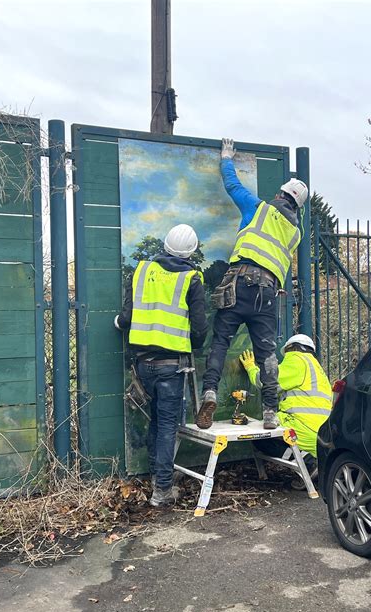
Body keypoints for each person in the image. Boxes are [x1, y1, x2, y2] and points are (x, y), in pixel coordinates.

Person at [196, 138, 308, 430]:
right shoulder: (295, 233)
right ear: (297, 206)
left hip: (238, 284)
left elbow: (232, 185)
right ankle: (270, 410)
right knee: (267, 353)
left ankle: (209, 392)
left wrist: (226, 157)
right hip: (267, 294)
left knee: (221, 341)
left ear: (279, 194)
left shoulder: (258, 208)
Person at [114, 224, 208, 507]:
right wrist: (194, 343)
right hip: (172, 366)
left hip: (143, 365)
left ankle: (158, 477)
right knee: (168, 425)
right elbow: (201, 329)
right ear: (191, 251)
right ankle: (162, 489)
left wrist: (119, 323)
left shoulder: (142, 270)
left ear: (165, 245)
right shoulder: (192, 278)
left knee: (156, 420)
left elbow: (127, 316)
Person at [239, 334, 332, 488]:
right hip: (321, 432)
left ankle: (308, 465)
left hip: (301, 425)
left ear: (291, 348)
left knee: (260, 438)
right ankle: (310, 463)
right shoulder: (317, 368)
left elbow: (267, 381)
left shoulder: (296, 359)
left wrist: (251, 368)